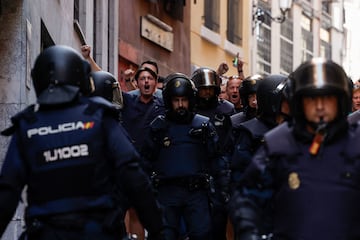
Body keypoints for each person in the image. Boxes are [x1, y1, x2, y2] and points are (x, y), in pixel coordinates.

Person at [0, 45, 166, 240]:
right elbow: (133, 174)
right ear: (81, 79)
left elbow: (7, 191)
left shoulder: (27, 125)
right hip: (97, 231)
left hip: (46, 233)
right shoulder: (99, 117)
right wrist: (157, 229)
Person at [228, 58, 360, 240]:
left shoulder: (356, 143)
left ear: (340, 101)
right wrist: (251, 233)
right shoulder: (278, 144)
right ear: (299, 103)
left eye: (327, 98)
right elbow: (248, 199)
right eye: (312, 99)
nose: (320, 107)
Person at [142, 73, 220, 240]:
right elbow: (145, 160)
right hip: (166, 192)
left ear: (190, 101)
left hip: (197, 192)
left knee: (202, 235)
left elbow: (217, 160)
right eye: (176, 100)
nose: (180, 105)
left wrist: (220, 191)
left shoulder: (203, 126)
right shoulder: (158, 127)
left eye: (183, 100)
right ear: (169, 102)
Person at [191, 67, 235, 240]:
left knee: (218, 222)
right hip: (195, 170)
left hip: (219, 172)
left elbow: (232, 143)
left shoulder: (227, 110)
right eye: (203, 89)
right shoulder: (190, 109)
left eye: (210, 88)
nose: (207, 92)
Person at [230, 74, 288, 196]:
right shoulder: (250, 132)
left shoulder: (293, 129)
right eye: (284, 101)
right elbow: (240, 174)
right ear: (272, 102)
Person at [231, 74, 263, 140]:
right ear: (246, 98)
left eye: (257, 95)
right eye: (251, 96)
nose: (254, 100)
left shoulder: (270, 120)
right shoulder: (235, 120)